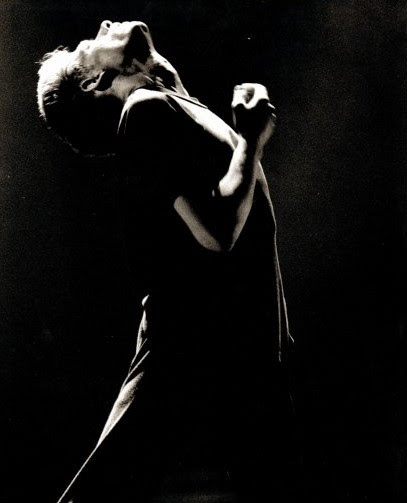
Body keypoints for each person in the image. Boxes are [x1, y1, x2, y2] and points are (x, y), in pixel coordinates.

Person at [37, 20, 294, 503]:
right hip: (196, 349)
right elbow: (218, 231)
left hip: (233, 353)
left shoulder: (167, 106)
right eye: (87, 45)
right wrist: (251, 140)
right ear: (95, 83)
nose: (102, 25)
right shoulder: (144, 112)